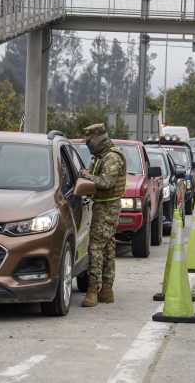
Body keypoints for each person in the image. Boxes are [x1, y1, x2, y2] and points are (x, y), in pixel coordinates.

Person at [78, 123, 126, 307]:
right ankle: (106, 290)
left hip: (108, 208)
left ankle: (93, 290)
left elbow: (105, 182)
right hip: (103, 206)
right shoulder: (101, 157)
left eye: (89, 141)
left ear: (98, 138)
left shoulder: (111, 157)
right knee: (107, 248)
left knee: (96, 248)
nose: (88, 144)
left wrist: (85, 175)